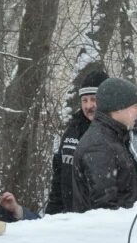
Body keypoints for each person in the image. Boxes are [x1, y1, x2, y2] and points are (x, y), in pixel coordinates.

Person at [71, 77, 137, 212]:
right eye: (134, 107)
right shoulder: (98, 146)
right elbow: (104, 209)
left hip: (120, 229)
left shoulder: (112, 137)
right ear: (117, 109)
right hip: (107, 231)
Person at [45, 69, 107, 214]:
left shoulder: (118, 132)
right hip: (70, 218)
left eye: (94, 99)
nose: (88, 106)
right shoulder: (72, 130)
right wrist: (51, 215)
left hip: (102, 221)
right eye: (84, 100)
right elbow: (59, 179)